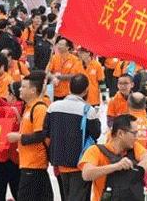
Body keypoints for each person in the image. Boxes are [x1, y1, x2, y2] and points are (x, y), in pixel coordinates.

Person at [44, 73, 101, 201]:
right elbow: (96, 134)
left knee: (66, 195)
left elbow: (46, 133)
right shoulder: (88, 111)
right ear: (86, 89)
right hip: (79, 162)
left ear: (69, 87)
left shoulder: (53, 107)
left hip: (59, 161)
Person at [79, 114, 147, 201]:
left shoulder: (134, 147)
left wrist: (132, 173)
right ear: (120, 133)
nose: (136, 137)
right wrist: (116, 166)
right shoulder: (95, 150)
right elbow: (86, 174)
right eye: (134, 133)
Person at [6, 71, 53, 200]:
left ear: (33, 90)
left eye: (24, 87)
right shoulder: (28, 107)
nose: (20, 89)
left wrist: (18, 137)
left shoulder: (39, 108)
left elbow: (40, 135)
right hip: (28, 163)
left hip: (34, 163)